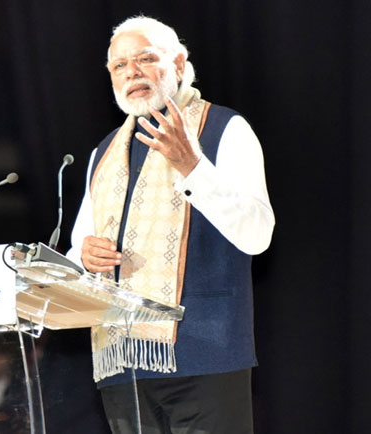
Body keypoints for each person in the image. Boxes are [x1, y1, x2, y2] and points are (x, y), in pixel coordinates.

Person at [66, 16, 275, 434]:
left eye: (145, 59)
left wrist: (192, 167)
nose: (132, 72)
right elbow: (77, 250)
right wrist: (85, 258)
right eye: (119, 65)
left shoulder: (225, 129)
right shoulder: (102, 154)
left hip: (206, 356)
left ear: (179, 64)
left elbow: (258, 233)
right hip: (122, 367)